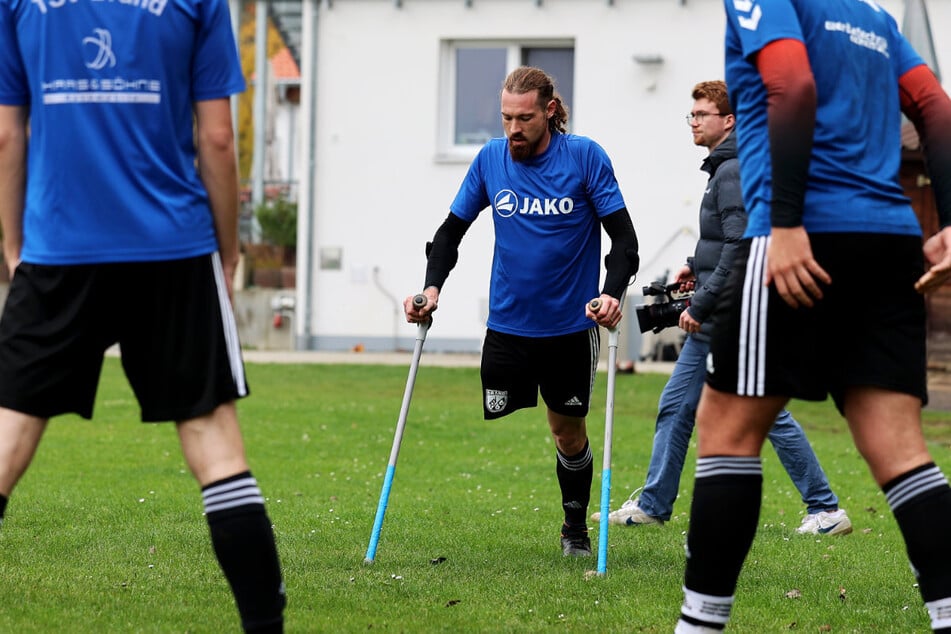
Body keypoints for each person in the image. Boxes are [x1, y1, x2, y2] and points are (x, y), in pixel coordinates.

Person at [0, 6, 285, 633]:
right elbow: (217, 138)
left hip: (58, 249)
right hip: (173, 251)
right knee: (214, 446)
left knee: (6, 442)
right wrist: (229, 250)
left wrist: (15, 246)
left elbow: (7, 134)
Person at [675, 2, 951, 632]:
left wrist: (788, 220)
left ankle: (698, 625)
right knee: (901, 449)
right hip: (887, 241)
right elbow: (936, 106)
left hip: (799, 237)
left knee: (727, 433)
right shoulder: (874, 18)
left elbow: (791, 83)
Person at [593, 80, 850, 536]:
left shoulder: (731, 170)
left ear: (728, 120)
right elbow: (723, 238)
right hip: (724, 306)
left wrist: (705, 302)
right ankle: (653, 503)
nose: (692, 122)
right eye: (690, 115)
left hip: (730, 311)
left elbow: (742, 242)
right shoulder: (726, 168)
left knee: (761, 410)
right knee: (678, 405)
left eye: (701, 114)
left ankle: (825, 508)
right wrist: (693, 265)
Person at [403, 66, 639, 558]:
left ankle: (574, 528)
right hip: (508, 326)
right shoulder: (491, 160)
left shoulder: (584, 158)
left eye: (524, 118)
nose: (513, 129)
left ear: (549, 112)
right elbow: (450, 233)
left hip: (571, 327)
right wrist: (431, 288)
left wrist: (612, 292)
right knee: (497, 417)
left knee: (566, 431)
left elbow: (624, 240)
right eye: (506, 117)